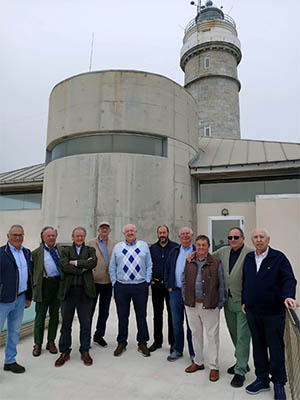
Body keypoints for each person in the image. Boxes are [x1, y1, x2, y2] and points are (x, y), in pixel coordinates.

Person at [242, 229, 298, 400]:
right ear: (252, 240)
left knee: (275, 348)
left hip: (273, 312)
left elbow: (289, 279)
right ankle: (262, 379)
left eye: (262, 237)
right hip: (253, 311)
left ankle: (279, 382)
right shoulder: (249, 258)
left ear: (268, 240)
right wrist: (245, 300)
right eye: (256, 237)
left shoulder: (278, 258)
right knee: (258, 346)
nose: (259, 240)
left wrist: (288, 295)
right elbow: (246, 280)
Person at [212, 227, 252, 387]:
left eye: (236, 237)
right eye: (230, 237)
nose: (233, 240)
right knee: (234, 333)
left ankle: (240, 370)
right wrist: (194, 254)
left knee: (243, 336)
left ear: (243, 238)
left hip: (243, 302)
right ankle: (242, 361)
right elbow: (208, 258)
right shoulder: (223, 251)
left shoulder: (250, 253)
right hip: (227, 301)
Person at [183, 235, 225, 382]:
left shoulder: (215, 262)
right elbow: (184, 281)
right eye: (198, 245)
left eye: (204, 245)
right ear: (196, 246)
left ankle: (214, 367)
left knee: (212, 336)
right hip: (191, 305)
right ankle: (198, 362)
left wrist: (220, 303)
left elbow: (221, 284)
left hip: (210, 305)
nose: (201, 247)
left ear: (208, 247)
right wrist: (185, 298)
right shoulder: (189, 261)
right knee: (195, 334)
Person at [55, 227, 97, 367]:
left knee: (85, 323)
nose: (79, 238)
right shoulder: (65, 250)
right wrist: (82, 269)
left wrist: (76, 263)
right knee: (66, 324)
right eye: (77, 236)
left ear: (84, 237)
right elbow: (64, 266)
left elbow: (93, 263)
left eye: (82, 236)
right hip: (69, 292)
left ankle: (84, 351)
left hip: (84, 293)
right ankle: (64, 352)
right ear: (72, 237)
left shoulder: (90, 250)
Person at [109, 224, 152, 357]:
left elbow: (149, 264)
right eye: (127, 231)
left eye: (132, 230)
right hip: (122, 286)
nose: (130, 233)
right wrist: (115, 283)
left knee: (141, 315)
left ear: (136, 232)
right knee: (122, 316)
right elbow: (112, 266)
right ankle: (122, 342)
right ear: (124, 233)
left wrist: (147, 281)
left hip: (140, 286)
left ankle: (142, 342)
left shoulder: (144, 245)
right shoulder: (118, 247)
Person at [0, 225, 33, 373]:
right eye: (14, 235)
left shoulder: (26, 252)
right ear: (8, 236)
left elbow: (29, 277)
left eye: (20, 235)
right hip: (3, 301)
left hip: (20, 299)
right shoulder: (1, 253)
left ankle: (10, 361)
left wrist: (28, 297)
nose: (18, 238)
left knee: (14, 332)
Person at [164, 227, 195, 362]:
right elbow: (167, 269)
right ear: (179, 237)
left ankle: (194, 352)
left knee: (192, 325)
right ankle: (178, 349)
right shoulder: (174, 251)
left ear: (192, 236)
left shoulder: (197, 251)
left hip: (191, 294)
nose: (185, 236)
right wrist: (169, 286)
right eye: (182, 234)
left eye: (187, 233)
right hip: (175, 292)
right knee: (176, 323)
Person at [32, 226, 63, 357]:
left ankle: (51, 342)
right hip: (43, 285)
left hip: (58, 284)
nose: (51, 237)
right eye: (48, 235)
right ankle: (37, 344)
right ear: (43, 238)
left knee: (55, 316)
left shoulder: (62, 250)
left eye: (53, 235)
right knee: (40, 317)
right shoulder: (36, 253)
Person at [87, 221, 116, 348]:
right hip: (93, 282)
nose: (104, 230)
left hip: (108, 283)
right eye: (102, 228)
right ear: (98, 230)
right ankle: (86, 337)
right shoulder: (90, 243)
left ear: (109, 230)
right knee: (89, 311)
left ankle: (99, 335)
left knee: (104, 311)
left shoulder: (115, 244)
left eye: (106, 228)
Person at [148, 225, 177, 352]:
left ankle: (173, 342)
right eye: (160, 233)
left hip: (170, 286)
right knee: (157, 314)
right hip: (157, 285)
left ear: (168, 233)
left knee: (172, 314)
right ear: (157, 234)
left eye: (164, 232)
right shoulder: (152, 248)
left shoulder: (175, 247)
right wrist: (151, 280)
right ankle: (157, 341)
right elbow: (148, 265)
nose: (162, 235)